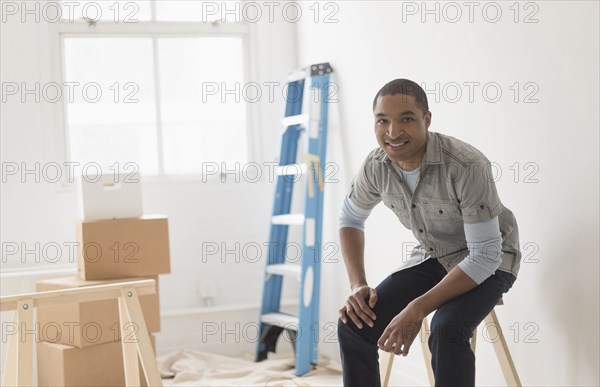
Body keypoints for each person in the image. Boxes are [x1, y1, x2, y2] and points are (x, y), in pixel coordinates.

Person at [337, 79, 521, 387]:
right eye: (383, 121)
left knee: (446, 329)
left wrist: (418, 307)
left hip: (491, 262)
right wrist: (358, 284)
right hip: (435, 255)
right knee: (354, 324)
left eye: (406, 119)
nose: (393, 133)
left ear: (427, 119)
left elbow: (485, 256)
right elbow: (350, 218)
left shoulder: (466, 165)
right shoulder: (376, 166)